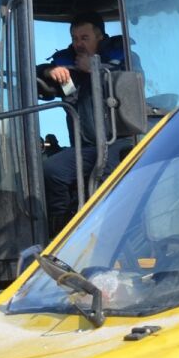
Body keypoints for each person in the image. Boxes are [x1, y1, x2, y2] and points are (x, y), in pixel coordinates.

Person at [38, 15, 128, 230]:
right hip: (86, 147)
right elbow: (36, 73)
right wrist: (49, 71)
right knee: (52, 171)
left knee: (106, 176)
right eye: (75, 38)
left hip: (120, 141)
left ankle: (107, 230)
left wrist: (95, 69)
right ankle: (61, 230)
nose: (78, 44)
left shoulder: (122, 60)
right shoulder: (68, 62)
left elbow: (131, 82)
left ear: (100, 37)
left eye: (84, 38)